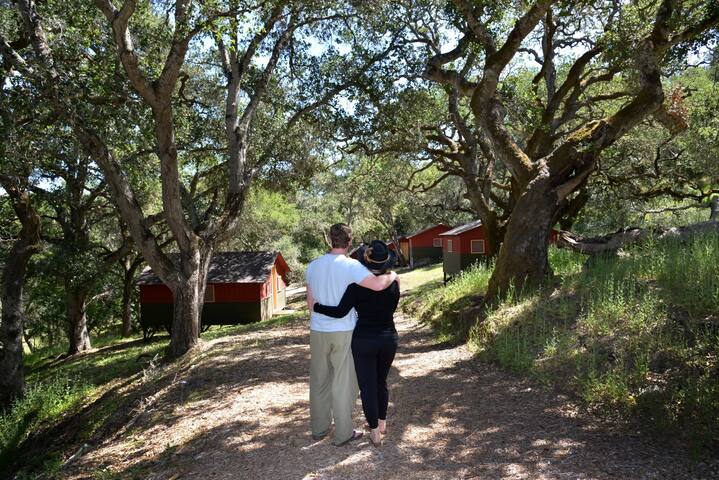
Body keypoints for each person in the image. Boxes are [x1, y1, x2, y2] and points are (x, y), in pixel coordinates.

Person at [305, 224, 397, 446]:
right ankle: (343, 432)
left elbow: (310, 303)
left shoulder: (313, 265)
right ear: (349, 242)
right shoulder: (352, 266)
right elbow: (376, 284)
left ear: (330, 240)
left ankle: (319, 429)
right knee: (343, 383)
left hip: (317, 329)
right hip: (344, 330)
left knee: (319, 380)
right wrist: (393, 275)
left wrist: (317, 308)